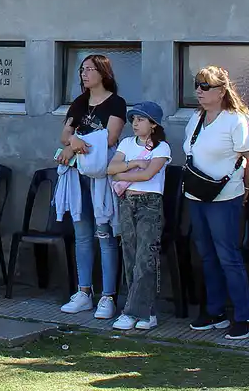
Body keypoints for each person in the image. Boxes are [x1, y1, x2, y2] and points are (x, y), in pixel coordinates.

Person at [183, 65, 249, 340]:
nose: (199, 91)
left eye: (206, 86)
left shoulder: (236, 120)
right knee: (207, 254)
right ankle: (215, 310)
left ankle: (244, 316)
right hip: (196, 196)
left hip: (225, 197)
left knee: (228, 256)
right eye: (197, 85)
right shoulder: (196, 118)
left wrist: (247, 187)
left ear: (221, 91)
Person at [57, 53, 127, 319]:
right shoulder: (79, 102)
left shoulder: (116, 103)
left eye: (89, 70)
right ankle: (83, 291)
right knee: (82, 233)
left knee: (105, 234)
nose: (85, 74)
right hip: (78, 174)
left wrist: (76, 143)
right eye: (82, 70)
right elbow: (65, 134)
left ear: (103, 73)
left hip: (103, 174)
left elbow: (111, 137)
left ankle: (108, 295)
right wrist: (73, 141)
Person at [106, 100, 171, 332]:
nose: (135, 123)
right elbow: (111, 169)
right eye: (134, 119)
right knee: (130, 255)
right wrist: (133, 164)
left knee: (146, 256)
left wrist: (124, 174)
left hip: (150, 203)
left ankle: (134, 311)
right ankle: (146, 311)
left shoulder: (161, 148)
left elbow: (149, 174)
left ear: (153, 124)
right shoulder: (126, 143)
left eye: (141, 119)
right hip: (127, 202)